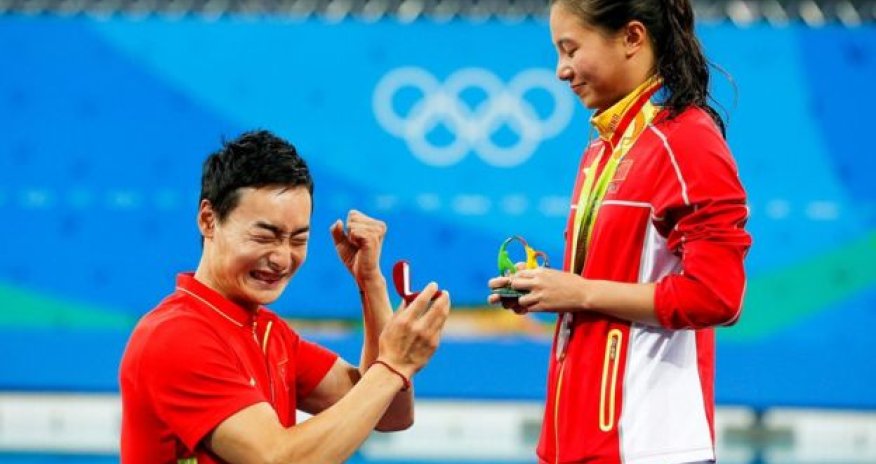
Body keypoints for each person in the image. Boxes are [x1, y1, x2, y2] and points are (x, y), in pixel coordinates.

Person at [487, 0, 752, 462]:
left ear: (632, 37)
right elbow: (607, 283)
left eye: (570, 50)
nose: (560, 71)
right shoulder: (601, 148)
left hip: (649, 442)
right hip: (575, 439)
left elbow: (717, 296)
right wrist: (545, 290)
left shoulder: (686, 141)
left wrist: (581, 292)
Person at [119, 130, 451, 463]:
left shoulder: (268, 332)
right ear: (208, 220)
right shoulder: (174, 337)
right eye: (265, 236)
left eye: (297, 239)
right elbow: (278, 459)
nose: (281, 257)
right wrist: (393, 364)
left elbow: (388, 413)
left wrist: (370, 283)